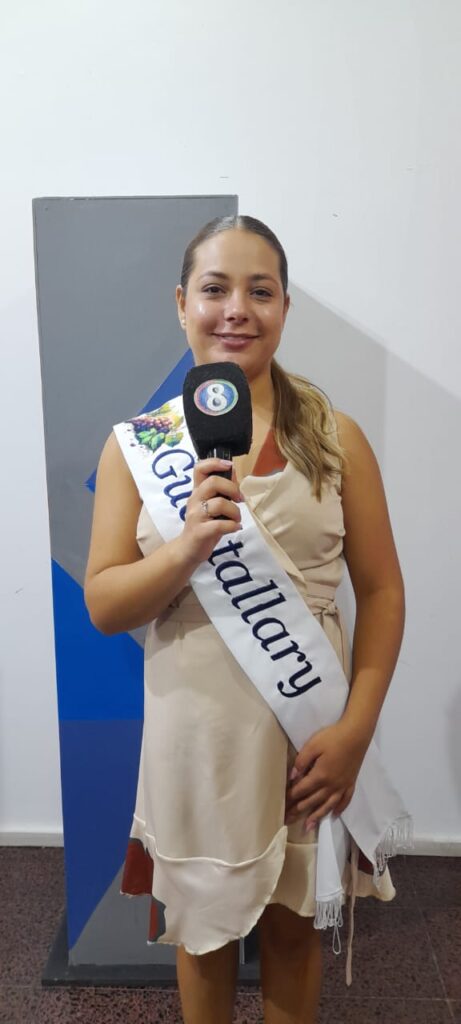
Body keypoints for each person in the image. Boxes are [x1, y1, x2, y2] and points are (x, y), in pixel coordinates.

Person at [84, 215, 406, 1024]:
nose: (236, 309)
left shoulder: (336, 439)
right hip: (195, 738)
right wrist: (189, 545)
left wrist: (356, 731)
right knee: (203, 936)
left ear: (284, 308)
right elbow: (105, 604)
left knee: (295, 932)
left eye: (259, 291)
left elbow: (382, 592)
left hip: (308, 737)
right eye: (215, 289)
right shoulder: (136, 449)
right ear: (181, 304)